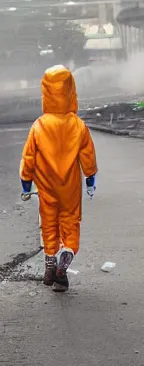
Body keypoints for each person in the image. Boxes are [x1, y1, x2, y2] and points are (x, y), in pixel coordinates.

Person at [19, 65, 98, 292]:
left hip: (46, 187)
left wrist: (26, 182)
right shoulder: (78, 125)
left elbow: (29, 157)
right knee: (70, 225)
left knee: (49, 226)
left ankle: (49, 268)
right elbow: (88, 155)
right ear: (71, 91)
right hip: (70, 187)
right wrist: (90, 178)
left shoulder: (39, 126)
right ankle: (63, 268)